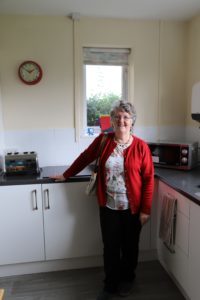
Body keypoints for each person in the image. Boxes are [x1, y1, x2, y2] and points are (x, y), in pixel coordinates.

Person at [51, 100, 154, 300]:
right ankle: (109, 285)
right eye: (117, 116)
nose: (121, 120)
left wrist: (146, 210)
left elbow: (149, 180)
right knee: (110, 246)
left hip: (132, 209)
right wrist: (66, 174)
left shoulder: (141, 147)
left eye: (126, 117)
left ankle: (127, 280)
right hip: (108, 206)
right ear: (112, 121)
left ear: (132, 121)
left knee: (130, 246)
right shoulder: (103, 141)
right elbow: (85, 157)